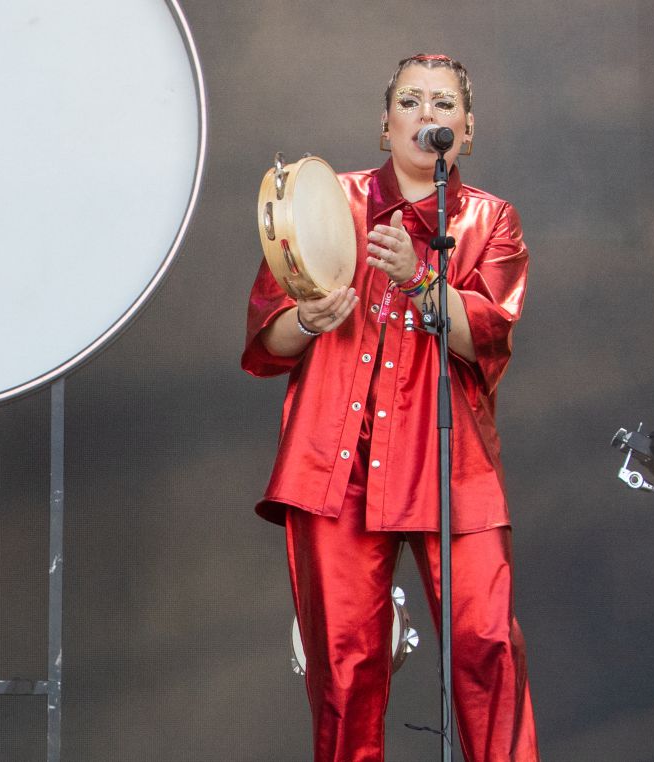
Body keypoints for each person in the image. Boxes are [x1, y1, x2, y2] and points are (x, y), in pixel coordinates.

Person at [242, 54, 537, 761]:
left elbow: (488, 335)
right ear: (384, 126)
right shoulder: (326, 200)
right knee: (343, 672)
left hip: (449, 465)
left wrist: (421, 275)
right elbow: (265, 340)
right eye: (410, 101)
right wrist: (311, 318)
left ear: (467, 129)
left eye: (443, 104)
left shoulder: (492, 220)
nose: (426, 115)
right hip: (336, 469)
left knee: (487, 649)